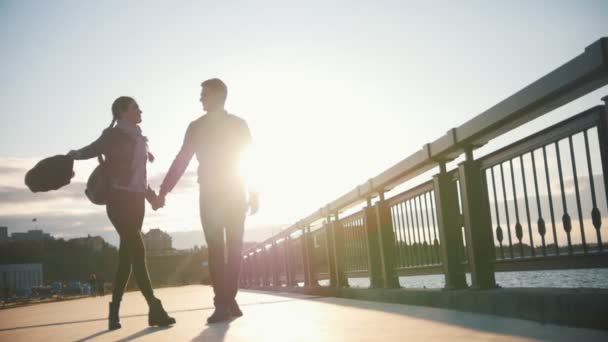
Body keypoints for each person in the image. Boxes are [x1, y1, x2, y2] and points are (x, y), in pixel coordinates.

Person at [155, 78, 258, 324]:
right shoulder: (196, 127)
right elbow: (182, 159)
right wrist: (164, 190)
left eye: (204, 94)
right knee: (216, 249)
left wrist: (254, 193)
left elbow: (251, 159)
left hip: (234, 191)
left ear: (217, 95)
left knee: (234, 249)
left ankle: (227, 299)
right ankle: (223, 302)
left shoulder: (239, 124)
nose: (200, 98)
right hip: (211, 194)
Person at [68, 96, 175, 330]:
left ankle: (113, 311)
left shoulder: (140, 138)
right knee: (138, 250)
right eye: (135, 107)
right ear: (122, 112)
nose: (140, 110)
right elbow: (92, 149)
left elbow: (140, 177)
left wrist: (152, 198)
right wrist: (72, 155)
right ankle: (154, 307)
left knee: (126, 260)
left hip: (137, 202)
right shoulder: (112, 136)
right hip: (118, 201)